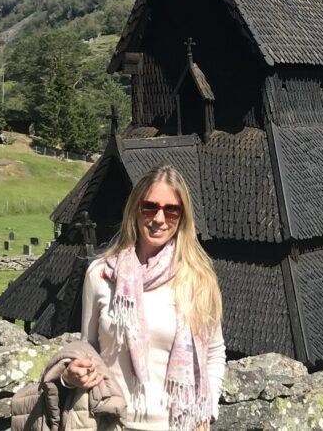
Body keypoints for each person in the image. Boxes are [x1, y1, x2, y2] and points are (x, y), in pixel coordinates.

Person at [71, 165, 226, 431]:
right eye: (150, 207)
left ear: (183, 216)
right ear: (135, 209)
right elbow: (89, 346)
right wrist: (73, 372)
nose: (159, 218)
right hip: (112, 421)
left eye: (171, 209)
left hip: (177, 425)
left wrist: (207, 410)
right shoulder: (101, 275)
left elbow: (214, 350)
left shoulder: (197, 279)